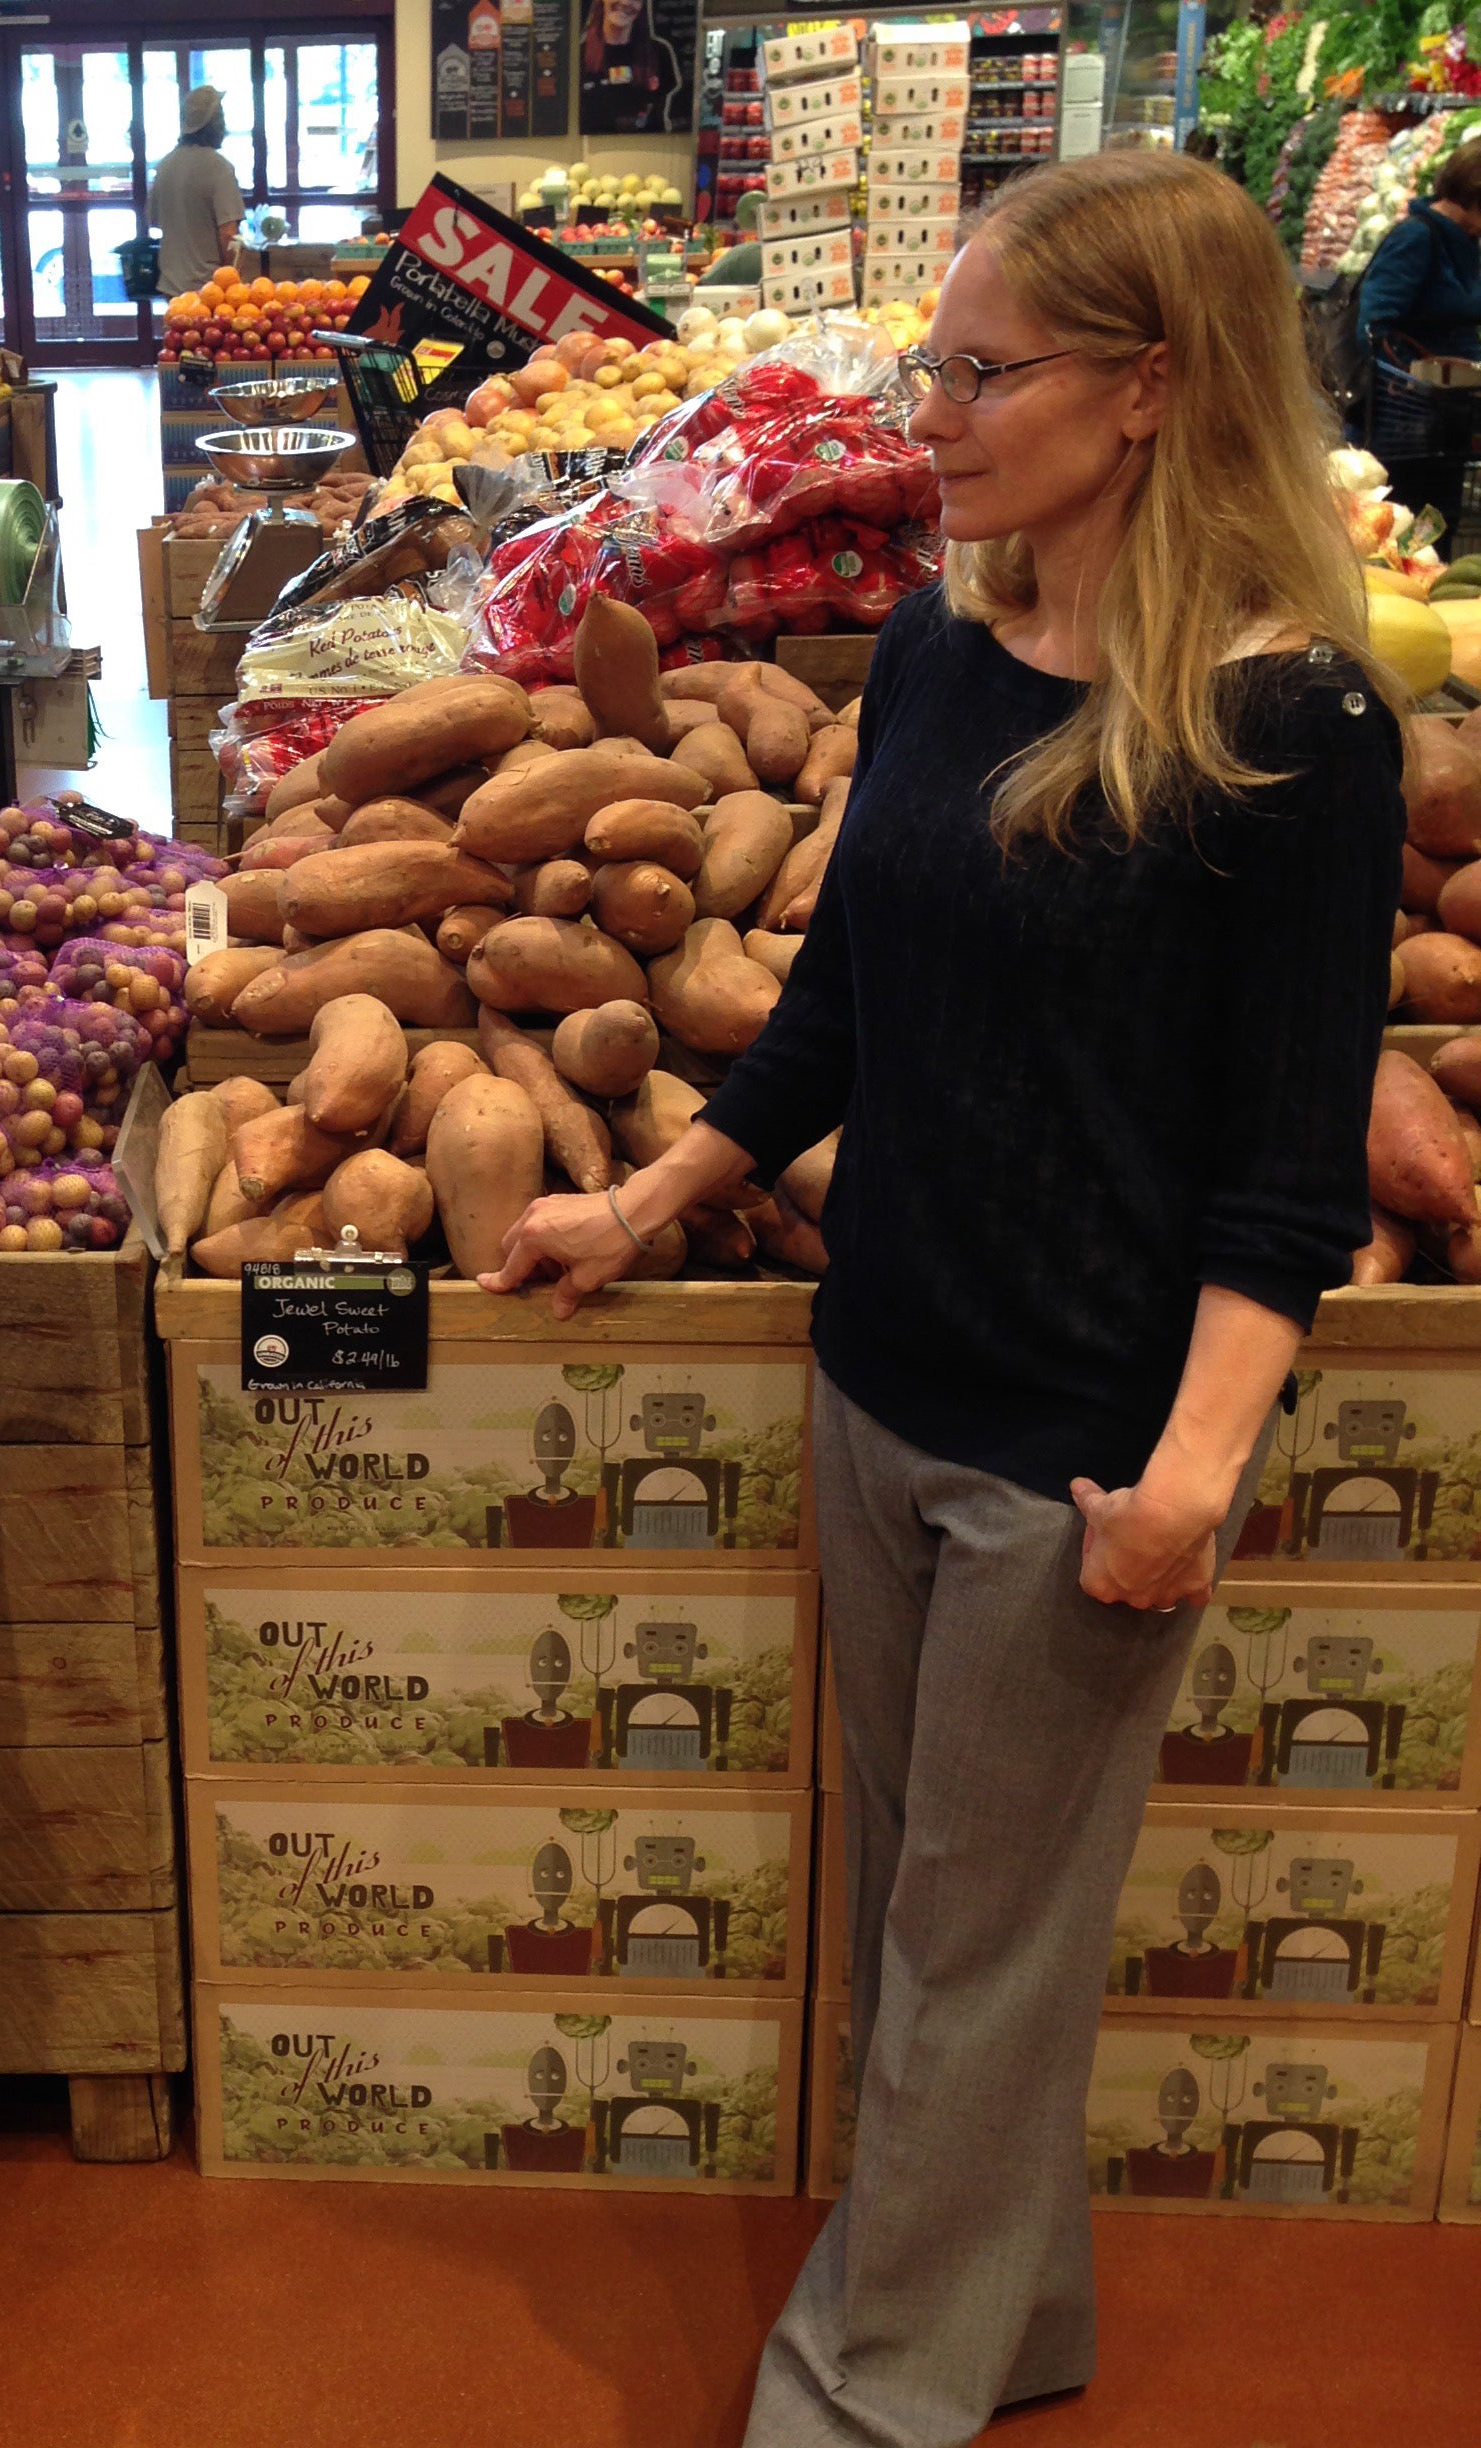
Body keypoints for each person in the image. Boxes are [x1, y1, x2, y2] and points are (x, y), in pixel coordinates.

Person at [483, 152, 1401, 2447]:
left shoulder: (1294, 728)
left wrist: (1181, 1478)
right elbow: (836, 1019)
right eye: (938, 358)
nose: (931, 407)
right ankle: (1014, 2320)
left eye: (981, 370)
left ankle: (866, 2394)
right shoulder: (929, 643)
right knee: (935, 1916)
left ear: (1143, 390)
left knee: (963, 1960)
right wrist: (648, 1197)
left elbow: (1282, 1175)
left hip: (1067, 1457)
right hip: (875, 1378)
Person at [1357, 139, 1481, 524]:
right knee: (1405, 525)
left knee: (1438, 525)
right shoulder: (1417, 238)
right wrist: (1421, 374)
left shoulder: (1467, 243)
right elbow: (1373, 325)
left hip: (1448, 419)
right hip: (1404, 424)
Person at [149, 83, 243, 299]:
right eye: (222, 118)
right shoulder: (219, 167)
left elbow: (153, 220)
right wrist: (230, 282)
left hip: (171, 285)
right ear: (216, 125)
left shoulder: (165, 165)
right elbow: (228, 234)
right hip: (208, 289)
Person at [581, 0, 679, 135]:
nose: (626, 2)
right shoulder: (579, 56)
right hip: (595, 151)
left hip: (648, 151)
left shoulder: (659, 53)